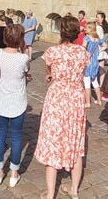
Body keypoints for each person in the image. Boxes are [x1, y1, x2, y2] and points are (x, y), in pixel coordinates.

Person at [36, 16, 89, 199]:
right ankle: (74, 190)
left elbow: (49, 72)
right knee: (75, 141)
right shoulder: (83, 52)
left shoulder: (52, 51)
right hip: (75, 96)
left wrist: (52, 76)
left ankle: (50, 194)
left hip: (57, 96)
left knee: (53, 140)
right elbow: (82, 72)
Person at [0, 24, 30, 188]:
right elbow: (25, 73)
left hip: (1, 99)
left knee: (0, 135)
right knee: (16, 137)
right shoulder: (23, 58)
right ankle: (14, 172)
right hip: (18, 101)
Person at [82, 22, 102, 107]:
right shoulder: (97, 38)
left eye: (87, 28)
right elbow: (104, 45)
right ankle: (99, 100)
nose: (85, 29)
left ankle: (88, 102)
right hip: (95, 62)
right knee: (95, 82)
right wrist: (99, 51)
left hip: (88, 62)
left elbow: (83, 49)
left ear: (91, 29)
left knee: (86, 82)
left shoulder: (86, 38)